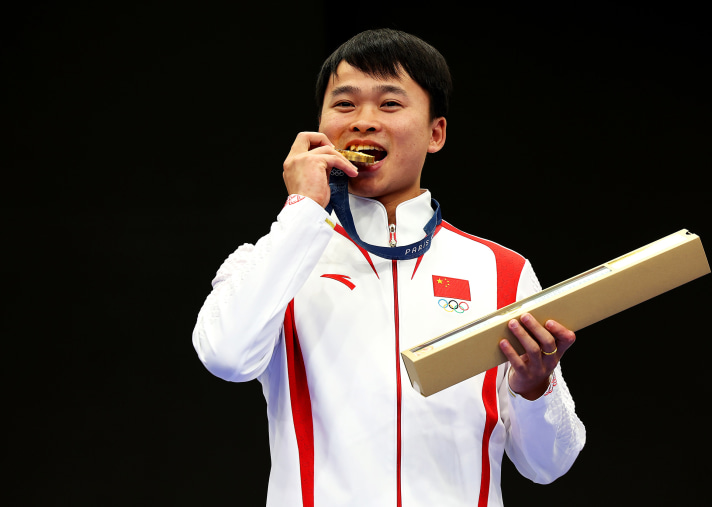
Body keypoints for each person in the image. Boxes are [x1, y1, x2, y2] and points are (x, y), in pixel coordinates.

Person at [193, 28, 585, 506]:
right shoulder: (271, 260)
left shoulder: (502, 272)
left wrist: (535, 388)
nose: (363, 122)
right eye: (344, 105)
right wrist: (302, 209)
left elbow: (549, 465)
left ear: (435, 133)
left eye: (390, 104)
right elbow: (226, 357)